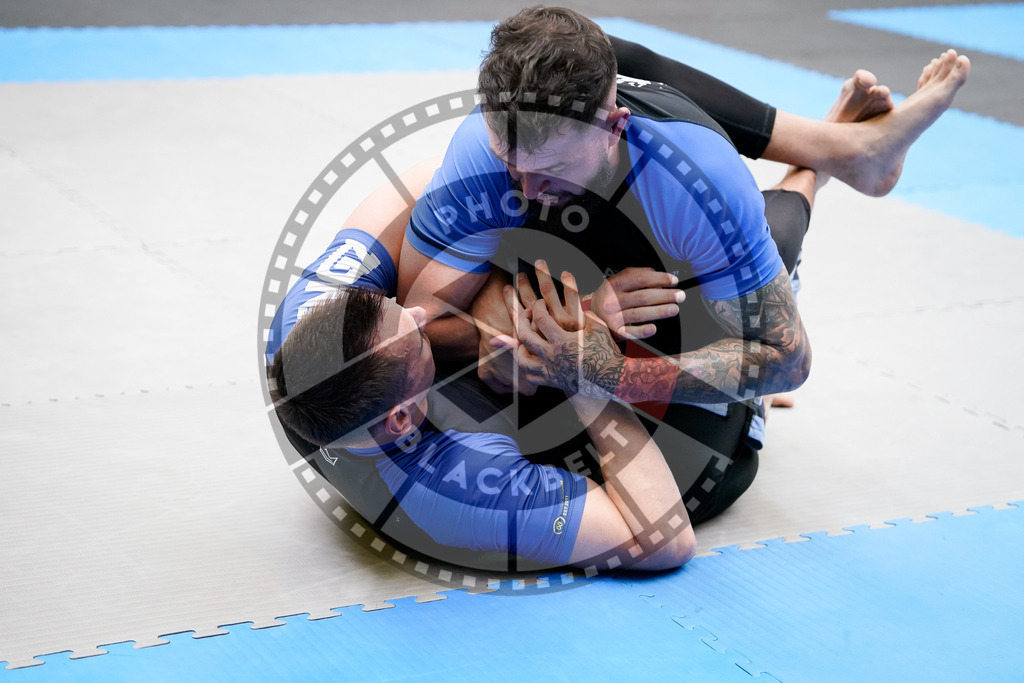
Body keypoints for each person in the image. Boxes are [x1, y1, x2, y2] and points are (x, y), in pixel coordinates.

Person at [395, 6, 970, 524]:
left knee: (704, 463)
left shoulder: (700, 180)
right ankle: (837, 146)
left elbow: (788, 359)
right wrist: (523, 328)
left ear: (613, 128)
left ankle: (818, 165)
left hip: (675, 276)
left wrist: (610, 373)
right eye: (510, 162)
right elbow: (418, 325)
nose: (525, 189)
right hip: (584, 272)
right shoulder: (481, 148)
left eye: (551, 170)